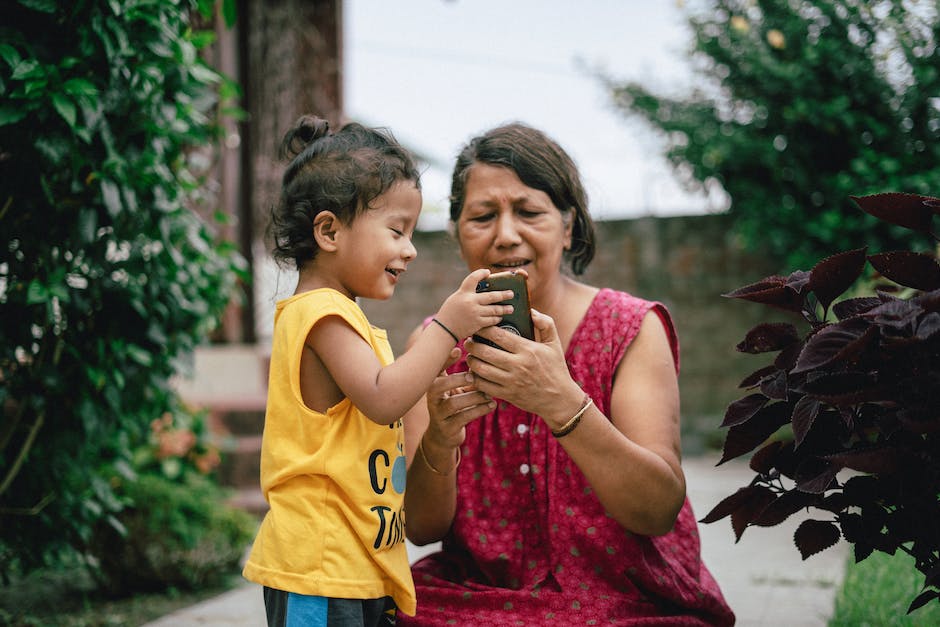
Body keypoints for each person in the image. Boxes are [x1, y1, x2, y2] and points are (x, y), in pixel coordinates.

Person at [398, 122, 735, 625]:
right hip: (483, 597)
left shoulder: (631, 328)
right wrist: (440, 441)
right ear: (456, 232)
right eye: (482, 216)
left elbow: (658, 508)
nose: (505, 235)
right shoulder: (434, 346)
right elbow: (422, 528)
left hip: (624, 599)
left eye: (530, 212)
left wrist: (561, 401)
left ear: (569, 225)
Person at [242, 115, 516, 626]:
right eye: (396, 231)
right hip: (319, 565)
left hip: (355, 561)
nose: (410, 249)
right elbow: (383, 396)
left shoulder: (342, 316)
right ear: (328, 230)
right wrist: (448, 326)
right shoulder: (318, 312)